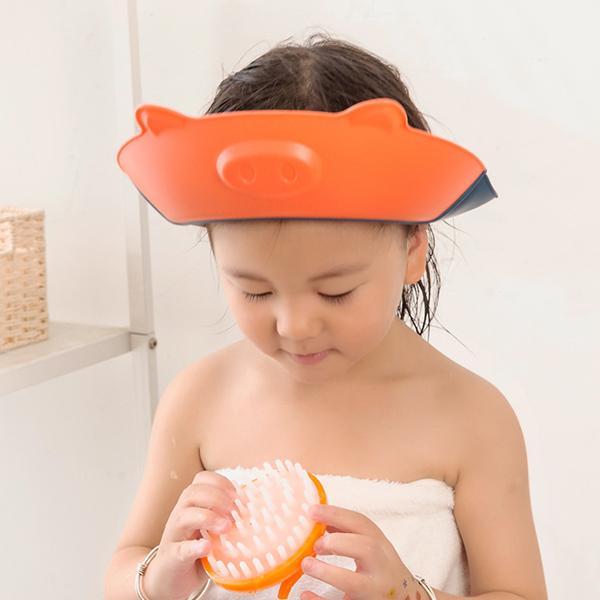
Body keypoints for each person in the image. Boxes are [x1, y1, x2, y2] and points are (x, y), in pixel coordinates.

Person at [105, 35, 547, 600]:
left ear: (413, 248)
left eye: (336, 292)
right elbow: (125, 565)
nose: (294, 326)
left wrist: (408, 594)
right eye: (255, 291)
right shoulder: (200, 397)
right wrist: (156, 576)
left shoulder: (472, 418)